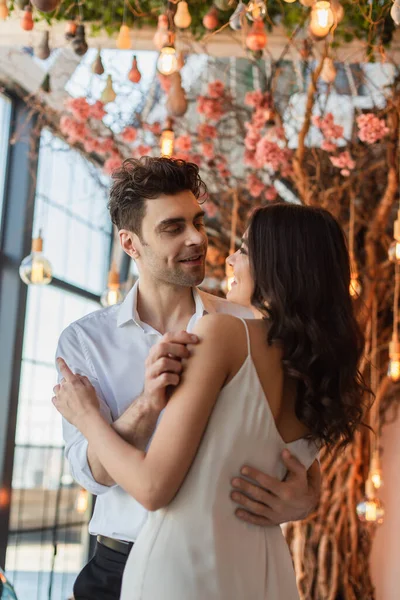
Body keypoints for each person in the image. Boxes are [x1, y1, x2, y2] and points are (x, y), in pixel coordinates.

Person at [54, 158, 321, 600]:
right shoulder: (85, 341)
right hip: (116, 567)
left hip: (219, 564)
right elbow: (94, 475)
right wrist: (145, 405)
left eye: (198, 221)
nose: (197, 237)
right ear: (130, 243)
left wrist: (309, 497)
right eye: (172, 228)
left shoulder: (249, 321)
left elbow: (290, 444)